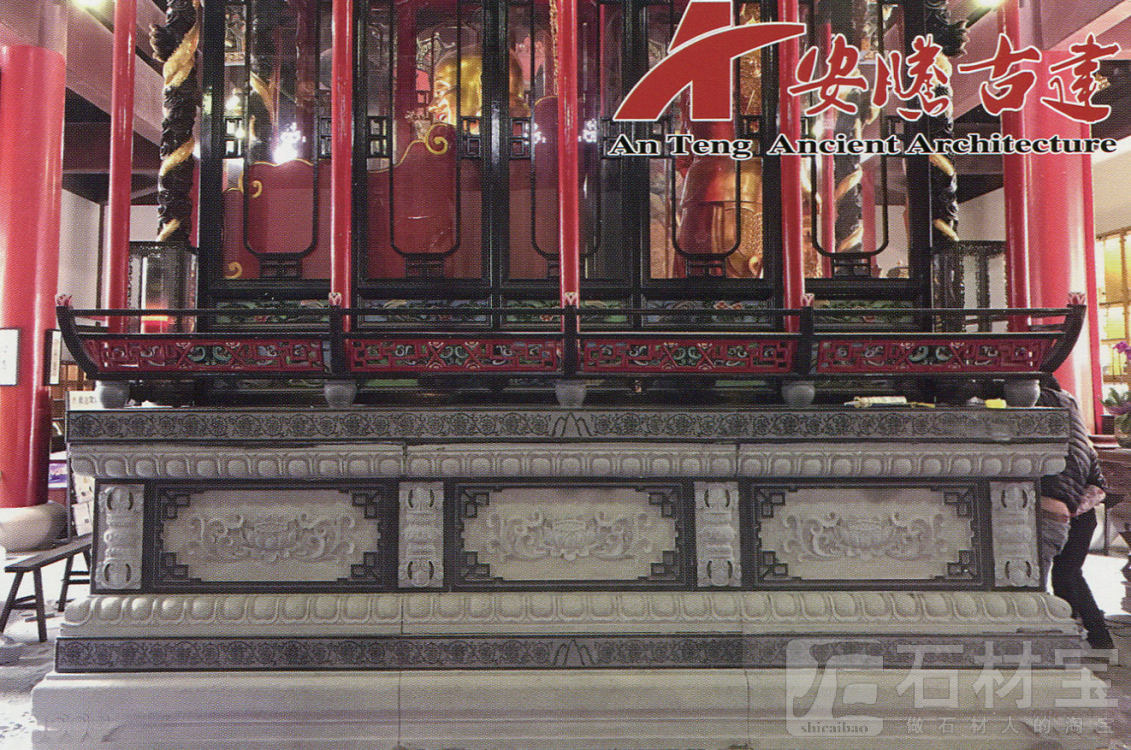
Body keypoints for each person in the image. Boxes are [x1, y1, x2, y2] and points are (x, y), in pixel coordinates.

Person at [1037, 377, 1115, 651]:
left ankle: (1075, 639)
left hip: (1061, 512)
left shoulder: (1046, 426)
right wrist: (1073, 508)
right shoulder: (1079, 436)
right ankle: (1097, 639)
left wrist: (1067, 510)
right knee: (1068, 576)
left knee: (1057, 579)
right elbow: (1099, 485)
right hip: (1080, 514)